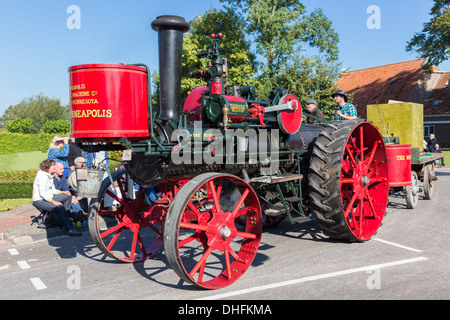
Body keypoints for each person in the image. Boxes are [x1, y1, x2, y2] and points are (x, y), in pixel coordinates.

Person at [32, 159, 81, 236]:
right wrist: (54, 202)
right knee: (59, 207)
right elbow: (42, 193)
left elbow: (53, 190)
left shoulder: (49, 175)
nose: (54, 167)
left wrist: (63, 192)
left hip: (48, 198)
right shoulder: (42, 176)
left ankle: (66, 217)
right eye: (53, 166)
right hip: (39, 201)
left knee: (68, 195)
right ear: (48, 167)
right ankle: (70, 229)